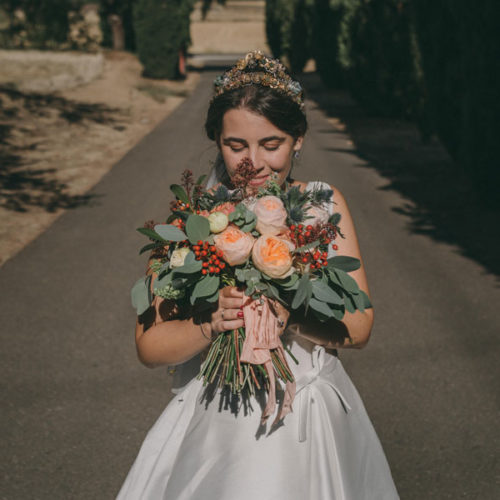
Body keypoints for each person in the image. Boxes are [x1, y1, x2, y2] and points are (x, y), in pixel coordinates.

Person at [117, 51, 399, 499]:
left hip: (310, 422)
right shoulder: (192, 220)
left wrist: (294, 317)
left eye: (272, 145)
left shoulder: (325, 205)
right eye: (236, 146)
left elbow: (360, 328)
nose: (254, 163)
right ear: (216, 139)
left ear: (298, 139)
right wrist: (212, 323)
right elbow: (150, 347)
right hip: (220, 417)